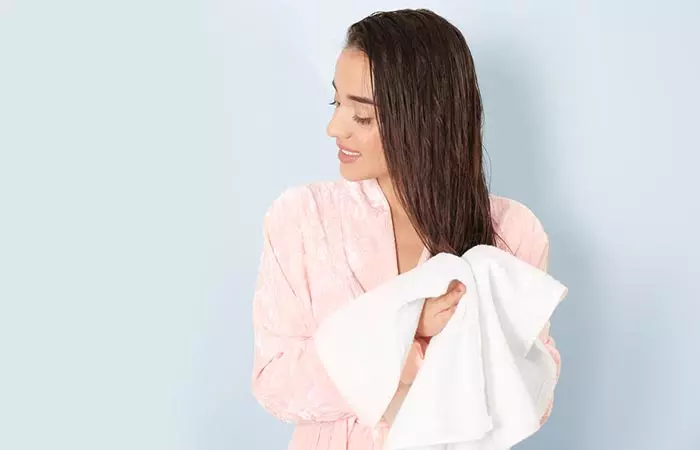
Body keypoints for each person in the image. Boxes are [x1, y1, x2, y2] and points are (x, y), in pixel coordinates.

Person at [251, 8, 561, 450]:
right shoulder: (303, 219)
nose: (334, 127)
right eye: (336, 102)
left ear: (426, 118)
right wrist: (407, 333)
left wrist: (466, 335)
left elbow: (532, 400)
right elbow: (276, 384)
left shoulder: (512, 234)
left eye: (361, 116)